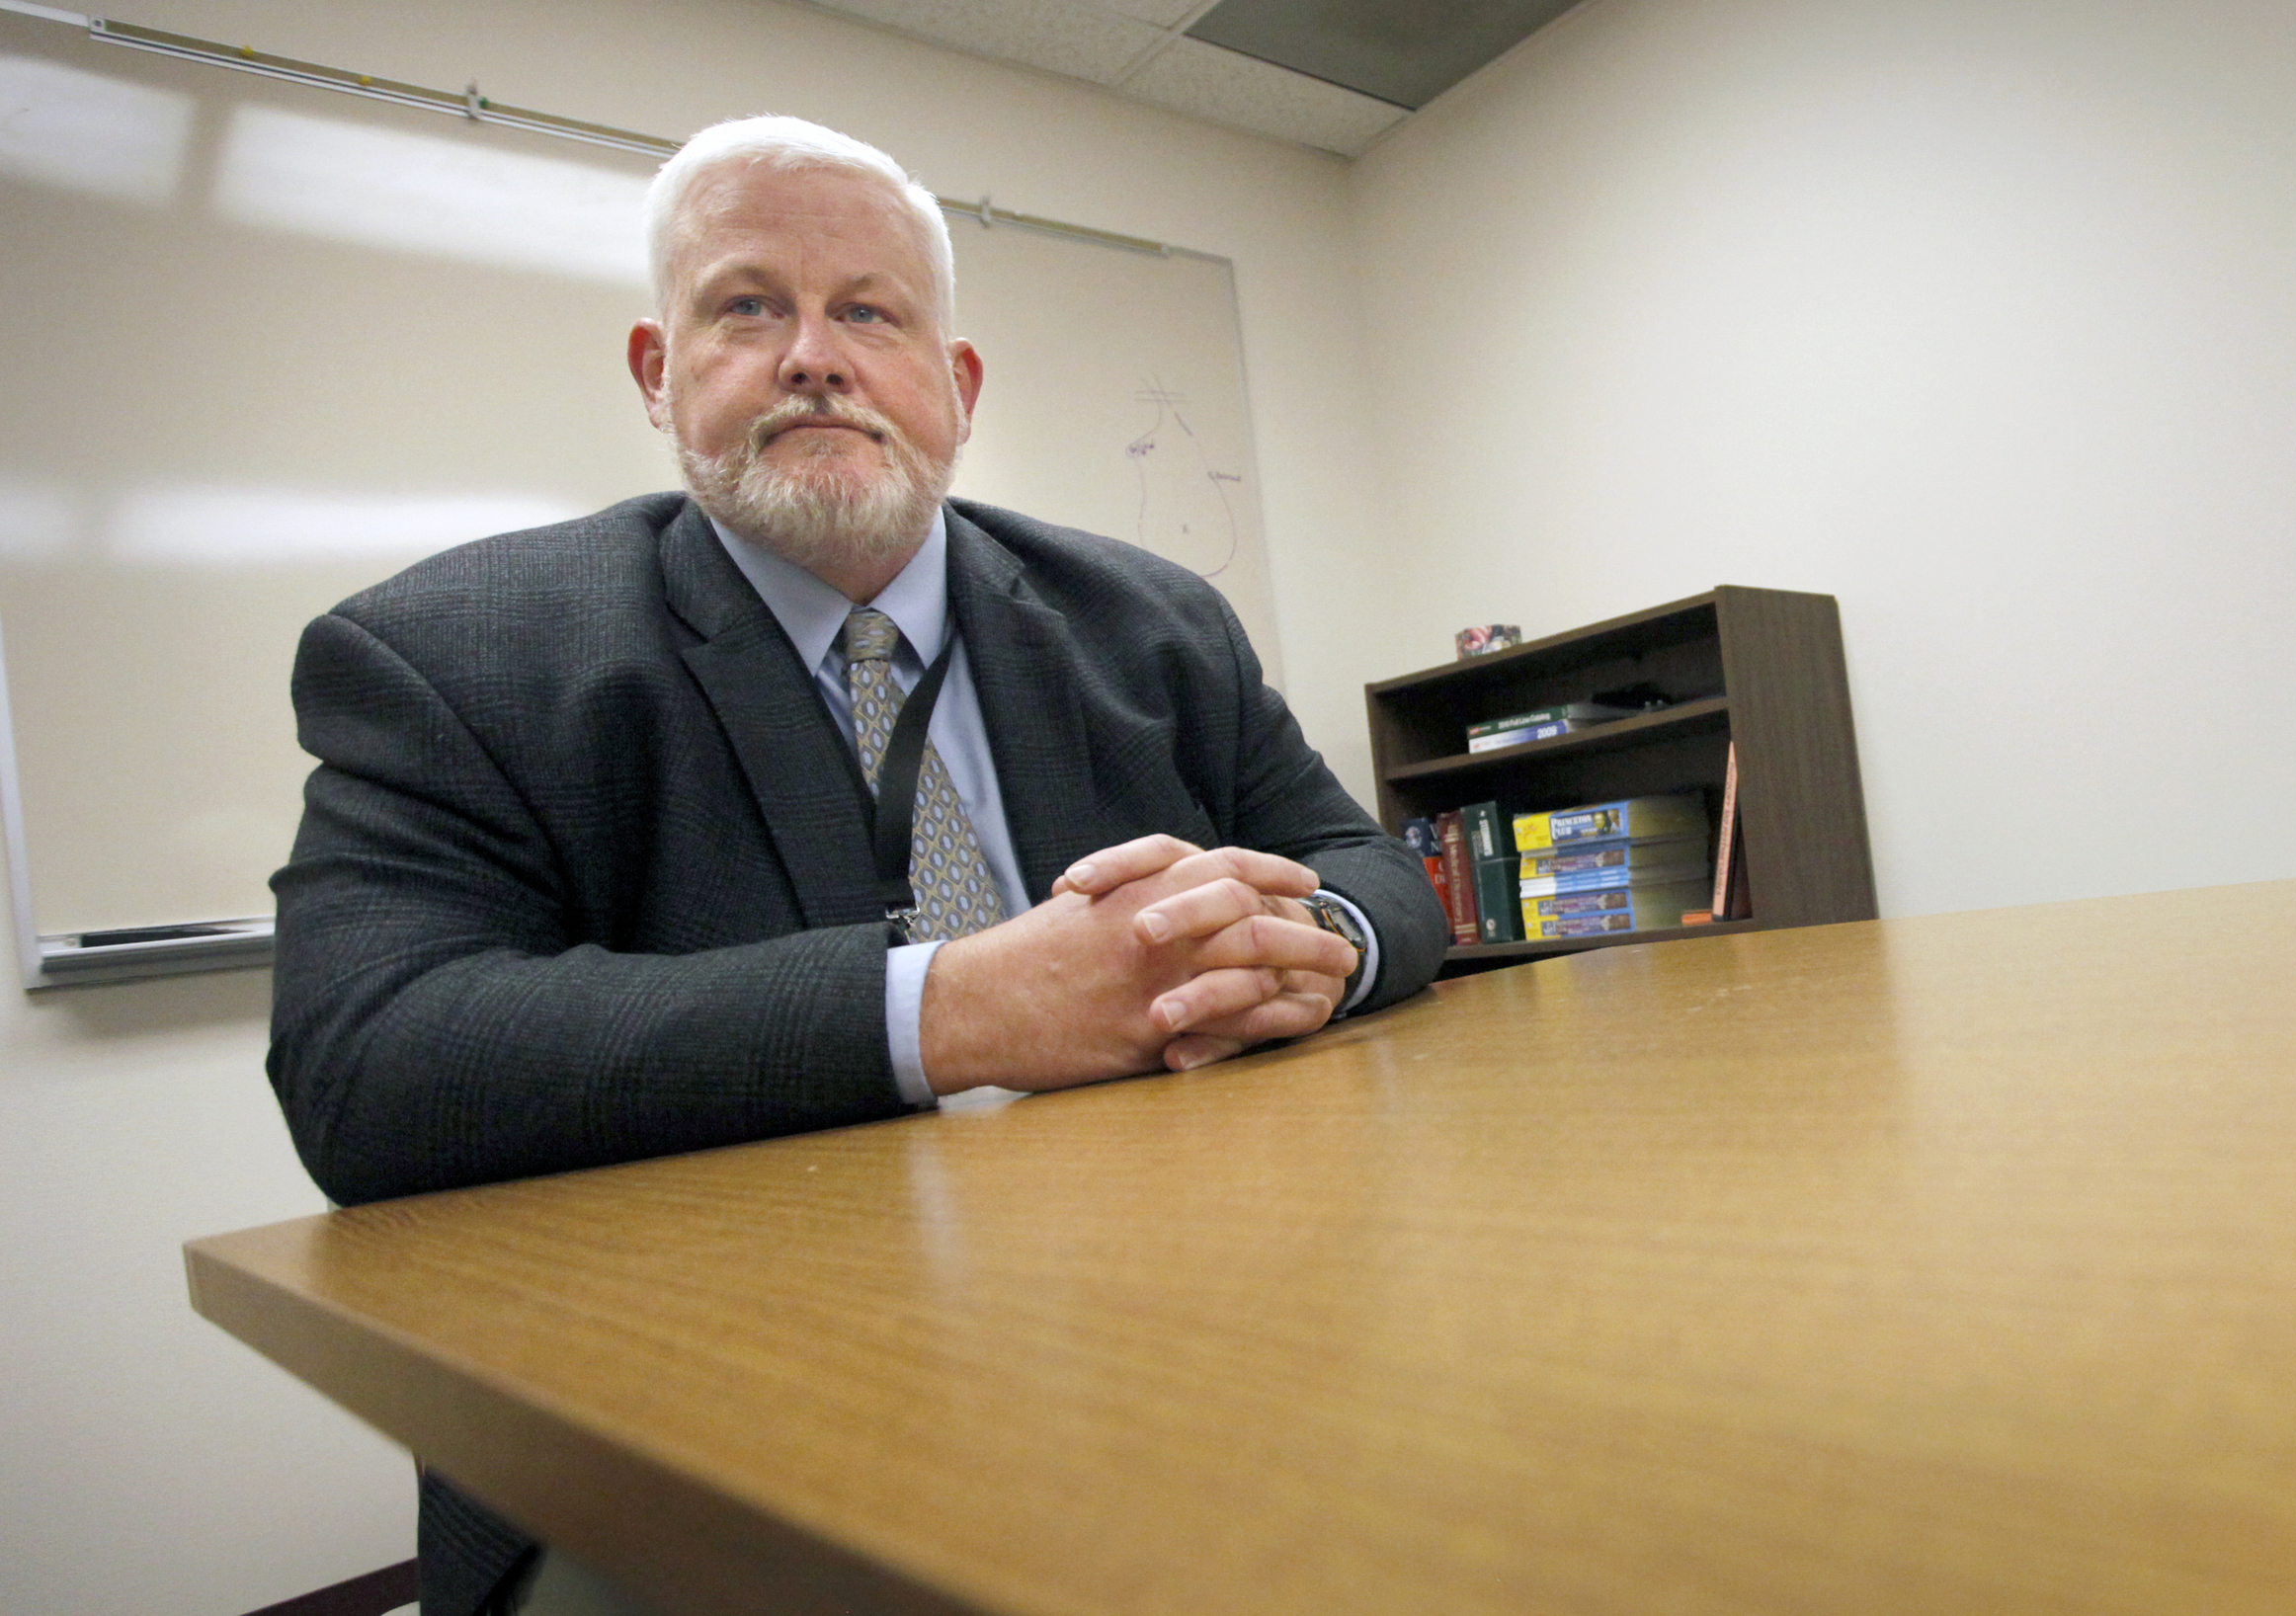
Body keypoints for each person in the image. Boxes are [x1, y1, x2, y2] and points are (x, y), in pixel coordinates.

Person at [267, 116, 1446, 1615]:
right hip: (699, 1416)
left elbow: (1369, 861)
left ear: (953, 391)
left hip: (1185, 1316)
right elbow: (369, 1064)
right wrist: (955, 1009)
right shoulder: (456, 656)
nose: (814, 356)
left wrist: (1325, 941)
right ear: (657, 373)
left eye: (869, 312)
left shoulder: (1154, 621)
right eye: (748, 305)